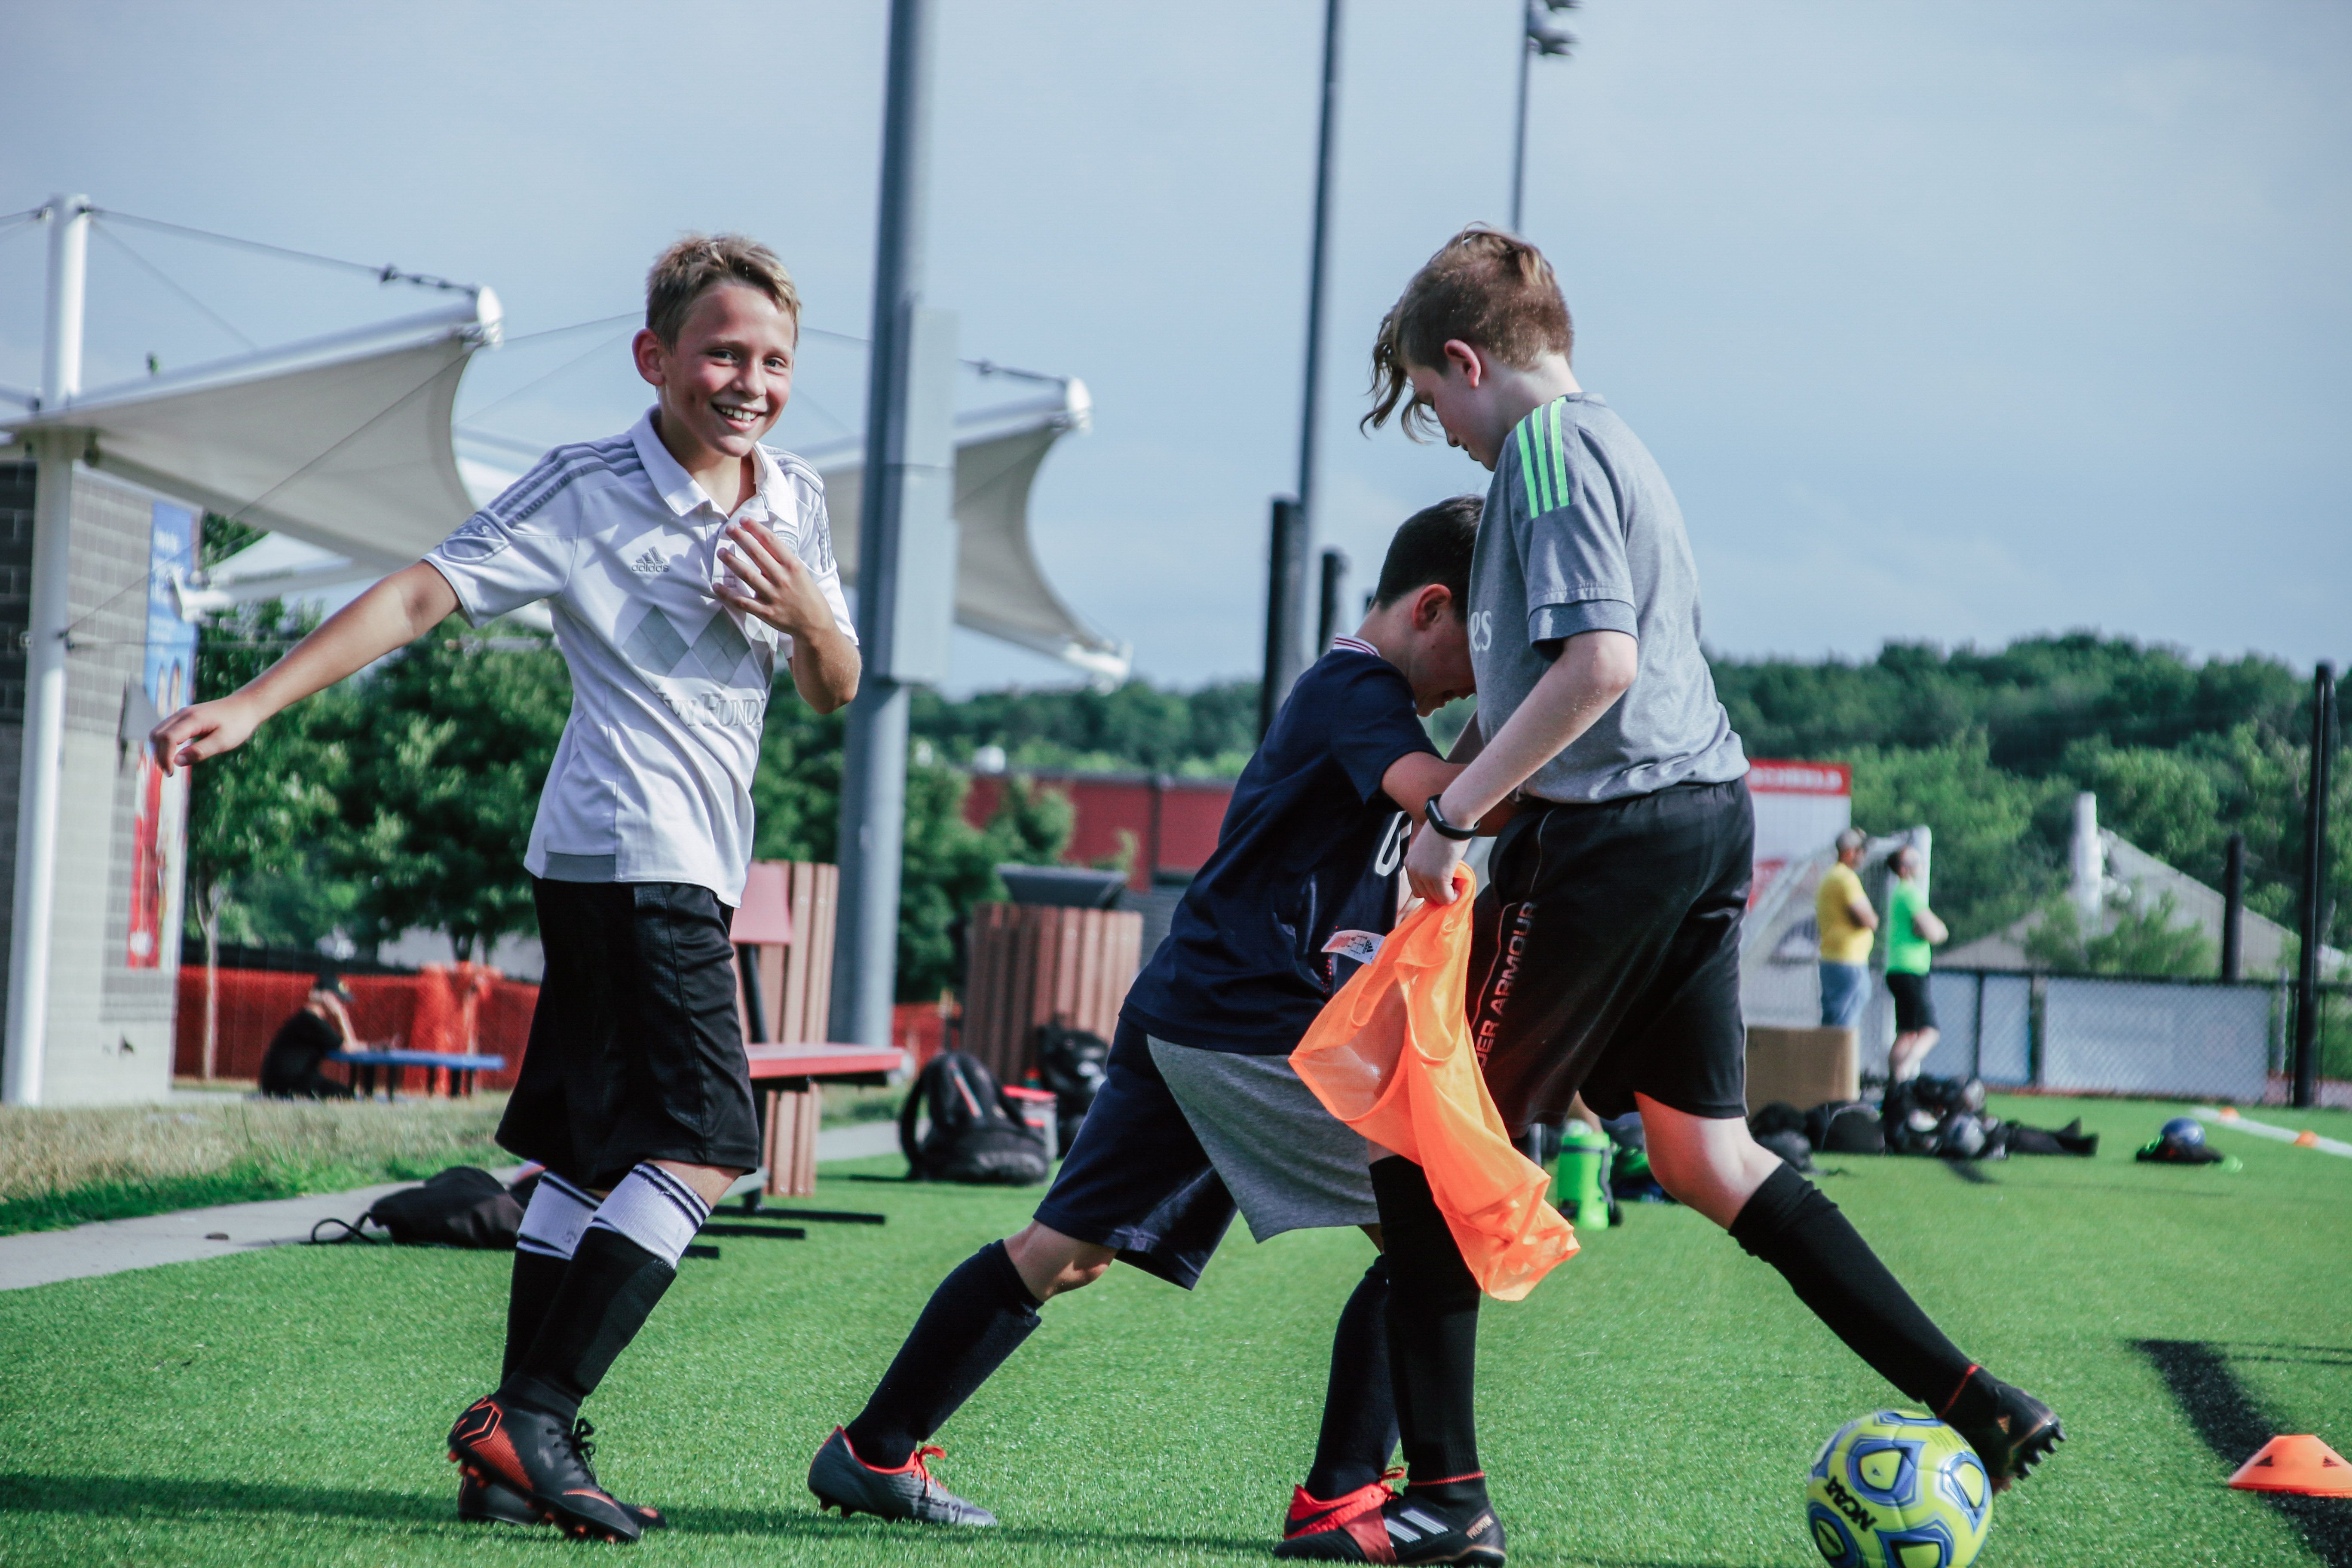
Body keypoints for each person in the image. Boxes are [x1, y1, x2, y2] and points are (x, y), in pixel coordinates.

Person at [1279, 226, 2061, 1565]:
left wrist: (1456, 815)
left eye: (1430, 401)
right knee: (1709, 1157)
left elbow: (1599, 669)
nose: (1443, 435)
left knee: (1428, 1148)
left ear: (1468, 363)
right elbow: (1544, 693)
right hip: (1703, 819)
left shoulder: (1546, 452)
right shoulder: (1613, 441)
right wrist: (1459, 790)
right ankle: (1975, 1399)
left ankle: (1446, 1503)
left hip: (1620, 837)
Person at [150, 233, 859, 1543]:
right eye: (720, 351)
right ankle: (529, 1414)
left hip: (673, 863)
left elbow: (834, 684)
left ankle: (512, 1453)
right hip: (626, 856)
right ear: (656, 358)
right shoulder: (587, 486)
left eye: (771, 358)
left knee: (591, 1163)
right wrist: (253, 705)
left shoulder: (797, 497)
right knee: (706, 1145)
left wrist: (810, 608)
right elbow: (425, 593)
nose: (747, 379)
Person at [807, 499, 1483, 1550]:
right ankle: (1341, 1500)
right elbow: (1446, 798)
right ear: (1432, 606)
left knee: (1062, 1252)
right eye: (1483, 649)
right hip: (1239, 1021)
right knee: (1433, 1232)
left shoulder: (1366, 695)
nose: (1481, 681)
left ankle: (875, 1447)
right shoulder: (1358, 686)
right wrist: (1556, 722)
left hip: (1190, 1010)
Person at [1884, 844, 1949, 1082]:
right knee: (1930, 1032)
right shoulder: (1909, 893)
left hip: (1898, 969)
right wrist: (1938, 930)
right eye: (1913, 860)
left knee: (1907, 1033)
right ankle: (1902, 1077)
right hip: (1911, 971)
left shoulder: (1900, 894)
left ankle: (1893, 1085)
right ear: (1903, 869)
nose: (1919, 862)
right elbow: (1936, 932)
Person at [258, 973, 358, 1099]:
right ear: (326, 997)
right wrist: (341, 1017)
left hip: (285, 1082)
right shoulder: (312, 1022)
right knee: (346, 1095)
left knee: (341, 1091)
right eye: (339, 1000)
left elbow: (349, 1045)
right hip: (289, 1085)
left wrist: (379, 1046)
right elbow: (348, 1048)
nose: (342, 1005)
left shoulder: (310, 1020)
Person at [1816, 827, 1877, 1030]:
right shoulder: (1846, 879)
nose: (1864, 856)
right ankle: (1838, 1063)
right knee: (1844, 1025)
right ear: (1850, 852)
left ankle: (1828, 1061)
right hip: (1848, 962)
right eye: (1862, 851)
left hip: (1835, 958)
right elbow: (1868, 920)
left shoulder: (1831, 876)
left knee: (1835, 1020)